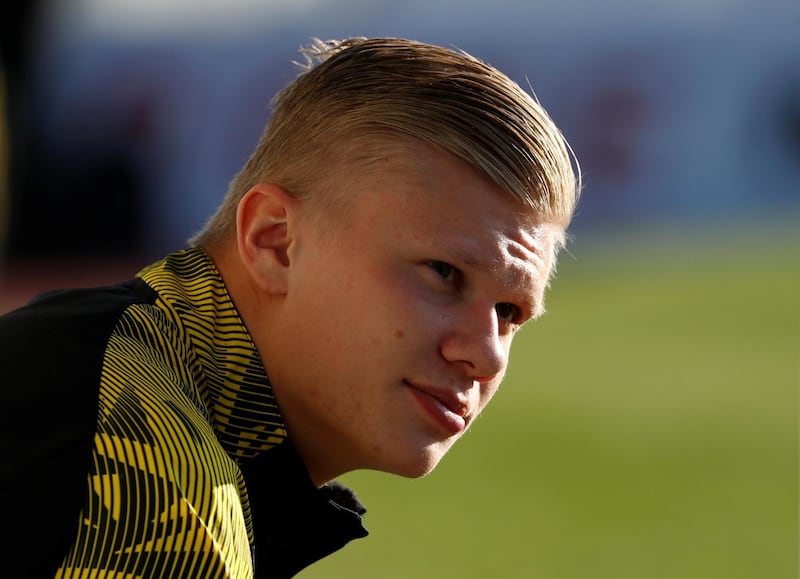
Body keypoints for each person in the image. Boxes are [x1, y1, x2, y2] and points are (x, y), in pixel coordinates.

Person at [0, 37, 581, 578]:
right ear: (275, 241)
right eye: (443, 273)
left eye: (509, 312)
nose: (484, 355)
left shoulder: (97, 349)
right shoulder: (165, 496)